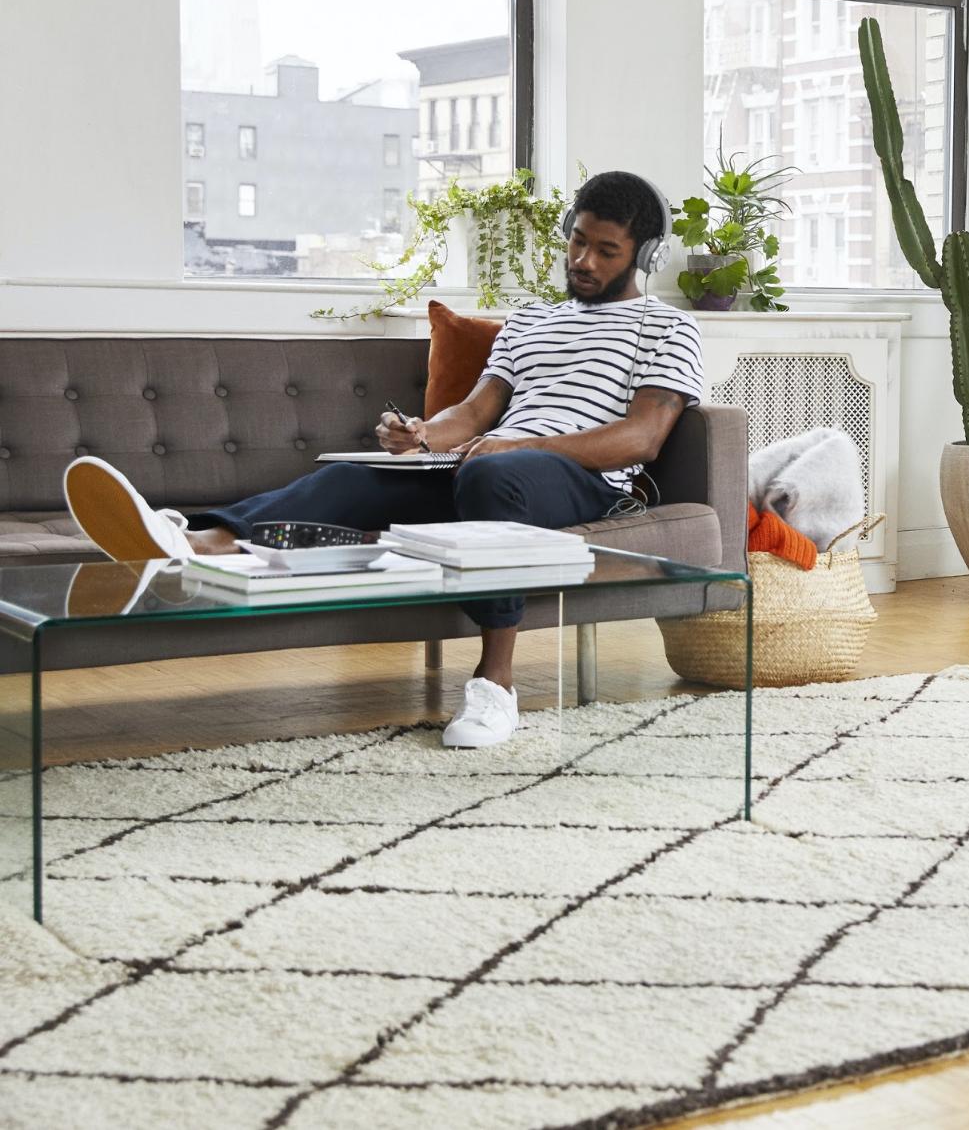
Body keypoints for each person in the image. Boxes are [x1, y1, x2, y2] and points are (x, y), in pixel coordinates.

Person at [61, 170, 704, 750]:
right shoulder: (532, 320)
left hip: (578, 479)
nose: (583, 260)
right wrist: (423, 436)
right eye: (577, 242)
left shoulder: (669, 328)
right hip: (488, 462)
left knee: (492, 471)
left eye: (605, 251)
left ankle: (496, 684)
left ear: (644, 256)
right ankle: (204, 540)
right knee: (351, 475)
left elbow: (641, 437)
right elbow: (476, 413)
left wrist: (521, 446)